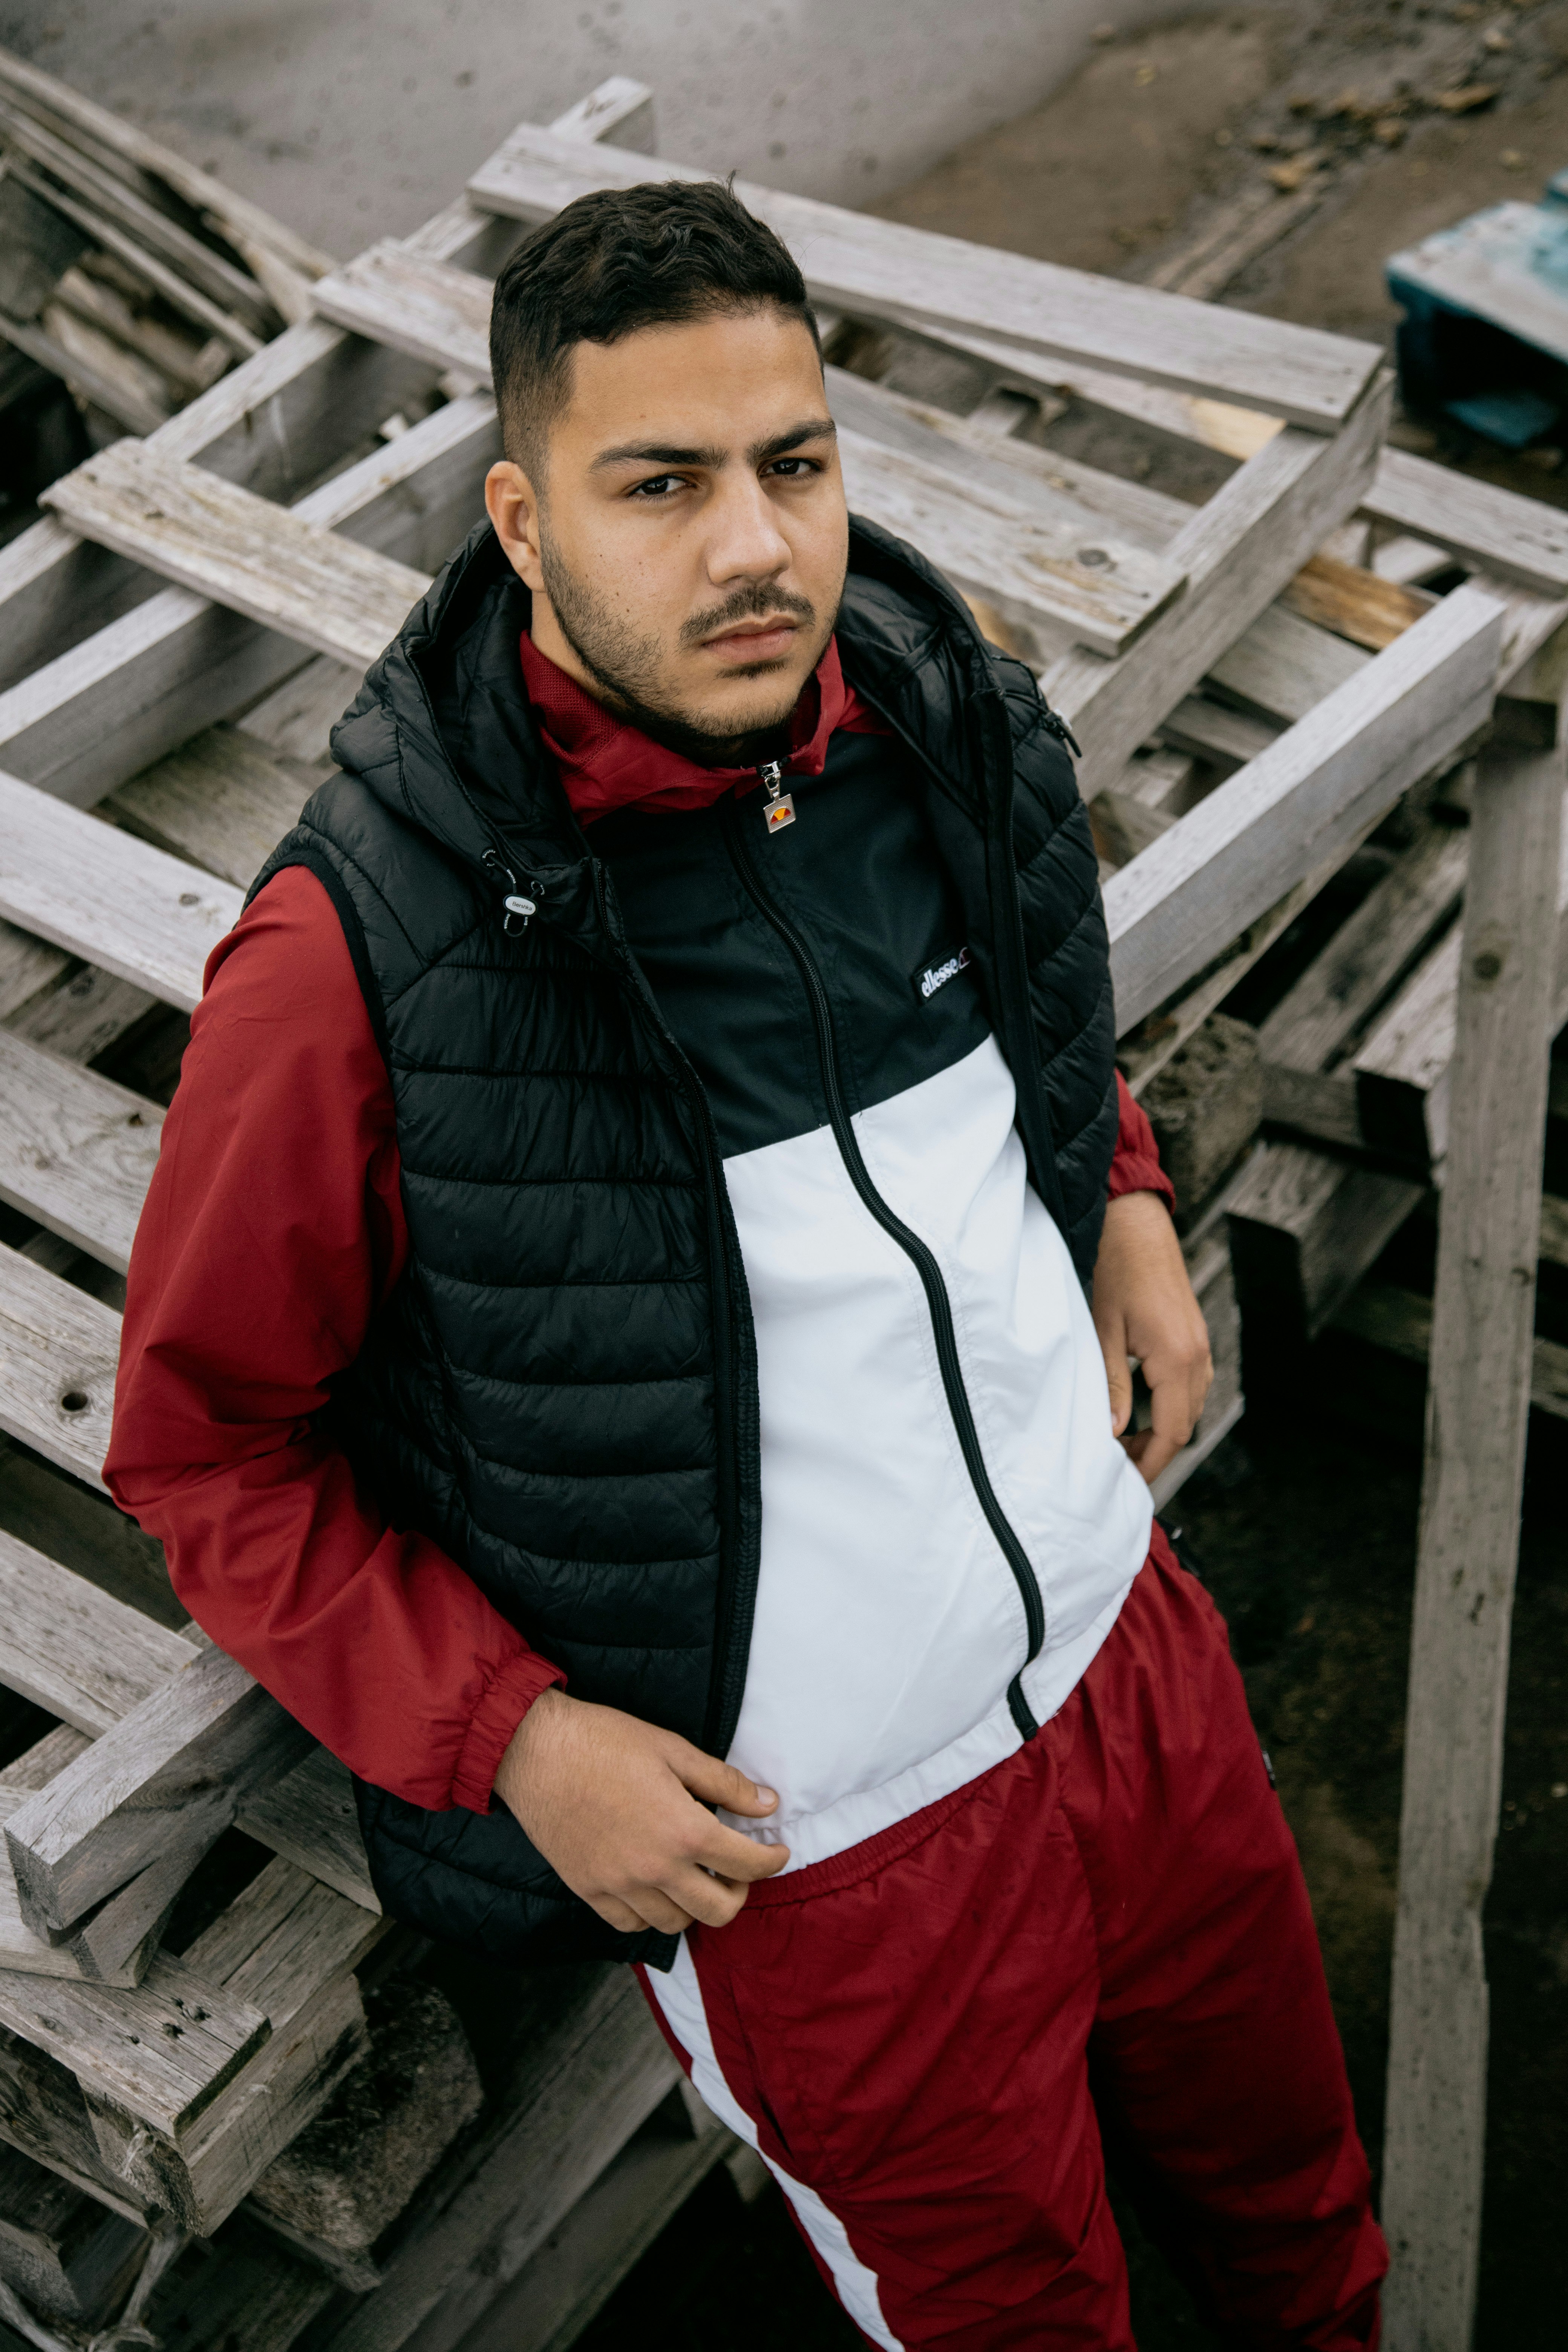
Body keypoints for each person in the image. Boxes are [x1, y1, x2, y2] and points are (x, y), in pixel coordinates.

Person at [107, 179, 1386, 2348]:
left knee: (1308, 2240)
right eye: (663, 484)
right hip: (836, 1863)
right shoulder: (356, 965)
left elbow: (1043, 1003)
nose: (754, 549)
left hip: (1136, 1673)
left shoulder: (928, 709)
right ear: (523, 524)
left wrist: (1129, 1197)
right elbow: (205, 1450)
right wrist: (513, 1740)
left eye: (794, 466)